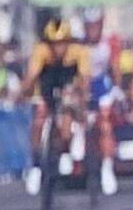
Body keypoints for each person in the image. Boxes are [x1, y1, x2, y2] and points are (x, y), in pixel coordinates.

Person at [21, 12, 88, 197]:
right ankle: (36, 164)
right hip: (47, 81)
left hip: (68, 81)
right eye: (54, 44)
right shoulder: (41, 51)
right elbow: (31, 76)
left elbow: (84, 80)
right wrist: (22, 92)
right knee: (39, 117)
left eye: (62, 43)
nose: (58, 48)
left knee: (67, 111)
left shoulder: (79, 52)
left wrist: (81, 98)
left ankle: (67, 146)